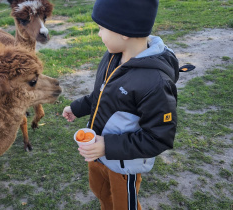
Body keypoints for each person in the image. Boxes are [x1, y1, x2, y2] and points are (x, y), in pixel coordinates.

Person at [62, 0, 179, 209]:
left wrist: (107, 146)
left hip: (123, 165)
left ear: (123, 31)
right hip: (97, 153)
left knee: (123, 204)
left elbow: (159, 137)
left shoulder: (155, 83)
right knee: (101, 192)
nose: (98, 34)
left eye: (101, 28)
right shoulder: (112, 57)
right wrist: (77, 107)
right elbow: (101, 95)